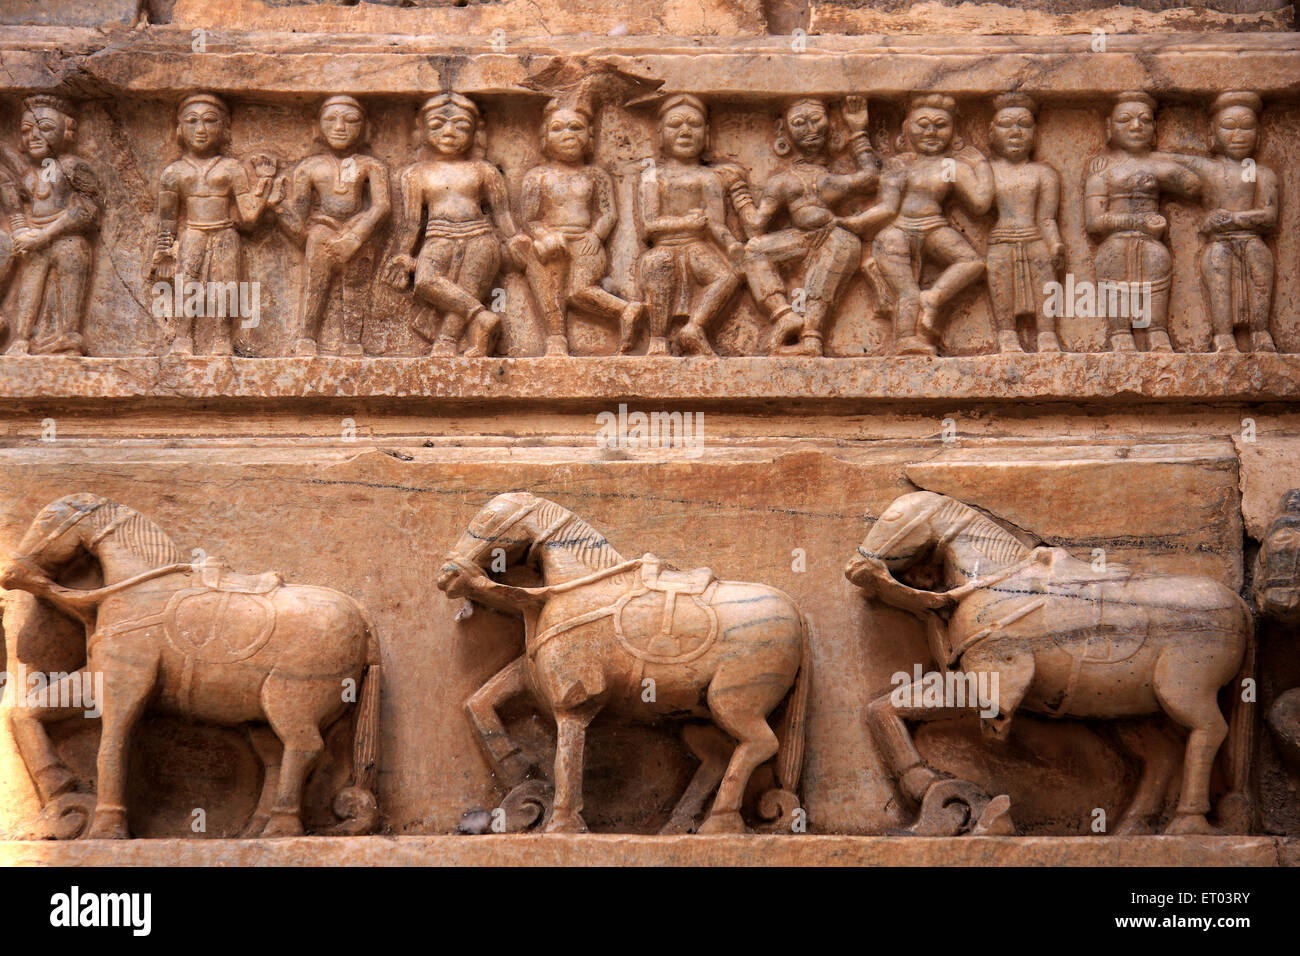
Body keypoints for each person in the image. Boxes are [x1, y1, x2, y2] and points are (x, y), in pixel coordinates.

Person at [728, 96, 877, 356]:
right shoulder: (783, 182)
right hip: (800, 239)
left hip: (835, 237)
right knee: (752, 251)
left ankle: (811, 338)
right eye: (799, 123)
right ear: (783, 132)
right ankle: (784, 315)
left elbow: (870, 179)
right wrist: (739, 193)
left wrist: (858, 131)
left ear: (831, 125)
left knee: (837, 250)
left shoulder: (830, 179)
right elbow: (754, 227)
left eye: (816, 120)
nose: (809, 129)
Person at [382, 93, 528, 357]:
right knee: (426, 282)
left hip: (480, 236)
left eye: (461, 125)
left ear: (476, 132)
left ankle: (446, 343)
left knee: (467, 288)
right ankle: (481, 316)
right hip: (438, 236)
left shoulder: (484, 170)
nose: (449, 131)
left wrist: (515, 238)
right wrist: (403, 253)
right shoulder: (415, 174)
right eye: (438, 124)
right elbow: (411, 222)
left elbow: (503, 213)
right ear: (422, 129)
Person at [858, 93, 993, 357]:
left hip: (934, 226)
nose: (931, 132)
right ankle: (907, 338)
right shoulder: (900, 164)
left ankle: (932, 298)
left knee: (972, 262)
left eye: (941, 125)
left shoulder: (949, 166)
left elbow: (981, 204)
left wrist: (980, 164)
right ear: (906, 128)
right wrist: (853, 223)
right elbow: (887, 207)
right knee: (907, 290)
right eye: (923, 124)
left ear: (954, 131)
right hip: (898, 230)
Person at [149, 92, 278, 355]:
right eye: (192, 121)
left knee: (227, 287)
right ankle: (183, 338)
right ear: (179, 129)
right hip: (193, 233)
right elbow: (168, 221)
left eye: (210, 121)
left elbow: (249, 217)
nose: (201, 129)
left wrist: (265, 183)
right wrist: (163, 252)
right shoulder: (173, 173)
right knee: (186, 285)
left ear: (224, 129)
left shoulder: (231, 168)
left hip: (226, 233)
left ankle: (222, 339)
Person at [519, 99, 642, 357]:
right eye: (558, 129)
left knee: (577, 292)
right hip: (555, 241)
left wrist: (596, 235)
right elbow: (531, 219)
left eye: (575, 128)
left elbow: (608, 213)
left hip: (586, 241)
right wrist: (545, 235)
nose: (567, 135)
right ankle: (556, 338)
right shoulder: (537, 177)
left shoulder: (596, 175)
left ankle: (625, 310)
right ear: (544, 136)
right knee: (544, 263)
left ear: (589, 136)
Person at [1084, 91, 1200, 353]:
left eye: (1145, 120)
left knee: (1157, 258)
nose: (1136, 126)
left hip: (1151, 244)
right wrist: (1138, 221)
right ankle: (1120, 332)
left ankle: (1157, 330)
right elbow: (1094, 222)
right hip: (1116, 243)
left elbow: (1194, 186)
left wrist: (1161, 162)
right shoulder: (1102, 172)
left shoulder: (1157, 166)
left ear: (1155, 129)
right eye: (1125, 120)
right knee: (1113, 259)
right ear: (1109, 128)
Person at [275, 95, 390, 357]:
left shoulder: (371, 166)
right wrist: (278, 207)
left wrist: (356, 236)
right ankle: (307, 338)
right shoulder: (309, 167)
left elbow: (382, 207)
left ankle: (352, 342)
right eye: (331, 120)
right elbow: (300, 221)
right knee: (316, 283)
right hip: (322, 229)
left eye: (351, 120)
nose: (340, 127)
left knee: (356, 287)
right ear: (317, 128)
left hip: (358, 230)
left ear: (365, 128)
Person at [635, 94, 748, 356]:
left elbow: (716, 224)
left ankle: (694, 327)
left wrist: (732, 245)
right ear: (661, 134)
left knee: (727, 277)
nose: (685, 131)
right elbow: (649, 227)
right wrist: (685, 222)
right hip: (665, 245)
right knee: (658, 264)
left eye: (694, 125)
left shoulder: (708, 177)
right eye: (676, 124)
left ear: (707, 134)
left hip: (698, 246)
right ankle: (658, 339)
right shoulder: (653, 176)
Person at [1172, 91, 1278, 353]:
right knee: (1218, 260)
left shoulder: (1259, 172)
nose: (1238, 134)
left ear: (1259, 135)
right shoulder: (1208, 168)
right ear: (1212, 133)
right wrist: (1113, 165)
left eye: (1246, 127)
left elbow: (1268, 216)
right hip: (1218, 242)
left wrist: (1232, 218)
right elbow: (1165, 160)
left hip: (1250, 240)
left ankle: (1261, 332)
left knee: (1259, 258)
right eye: (1229, 127)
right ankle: (1223, 336)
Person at [5, 95, 102, 356]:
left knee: (72, 251)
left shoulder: (74, 167)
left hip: (65, 236)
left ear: (68, 131)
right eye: (26, 130)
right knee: (30, 282)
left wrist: (46, 234)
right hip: (36, 239)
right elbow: (9, 170)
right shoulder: (31, 173)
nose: (33, 136)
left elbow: (88, 212)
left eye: (45, 128)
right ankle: (22, 337)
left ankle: (70, 335)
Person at [985, 93, 1065, 354]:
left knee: (1045, 280)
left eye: (1024, 125)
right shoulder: (987, 171)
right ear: (991, 132)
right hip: (1000, 238)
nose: (1016, 132)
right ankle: (1007, 336)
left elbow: (1046, 218)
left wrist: (1055, 244)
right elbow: (978, 205)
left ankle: (1047, 335)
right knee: (1000, 282)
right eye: (1006, 124)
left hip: (1035, 238)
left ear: (1035, 133)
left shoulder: (1044, 173)